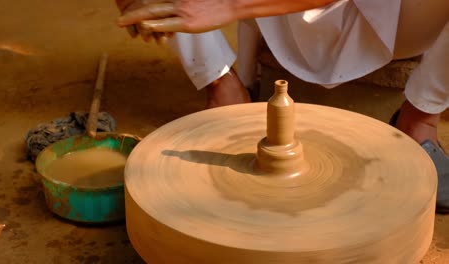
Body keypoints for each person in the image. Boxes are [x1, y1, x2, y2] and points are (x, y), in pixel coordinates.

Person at [114, 0, 449, 212]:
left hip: (401, 14)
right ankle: (220, 82)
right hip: (277, 19)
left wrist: (230, 6)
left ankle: (420, 118)